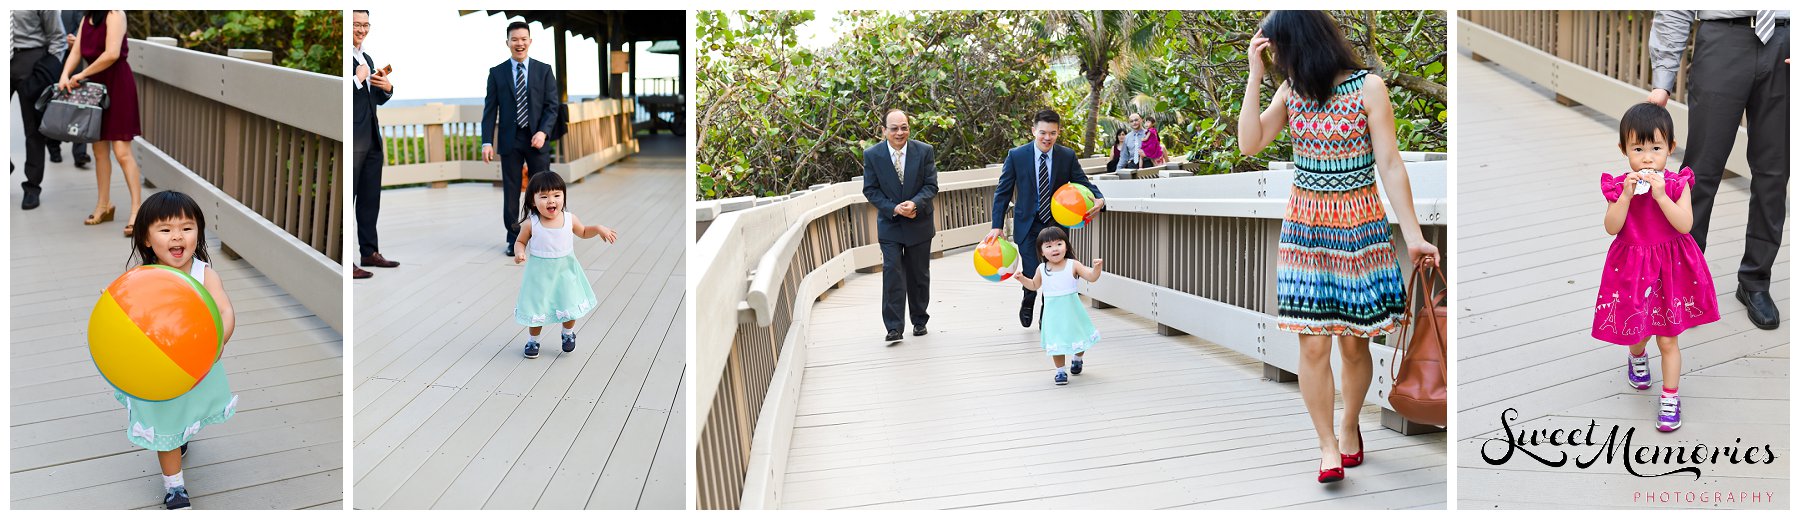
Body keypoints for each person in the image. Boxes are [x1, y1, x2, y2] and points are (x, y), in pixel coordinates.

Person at [1237, 10, 1439, 484]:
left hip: (1359, 226)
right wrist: (1255, 75)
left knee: (1352, 347)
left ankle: (1349, 427)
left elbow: (1389, 163)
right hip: (1305, 231)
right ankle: (1326, 445)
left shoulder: (1368, 88)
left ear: (1301, 41)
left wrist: (1412, 235)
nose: (1277, 56)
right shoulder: (1291, 93)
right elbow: (1250, 143)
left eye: (1278, 47)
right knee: (1311, 347)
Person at [1647, 10, 1789, 330]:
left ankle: (1755, 281)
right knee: (1700, 171)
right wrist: (1664, 79)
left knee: (1774, 173)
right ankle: (1684, 283)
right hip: (1723, 39)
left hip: (1786, 44)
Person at [1594, 103, 1719, 434]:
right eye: (1638, 149)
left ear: (1671, 148)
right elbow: (1612, 226)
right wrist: (1625, 197)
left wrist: (1662, 197)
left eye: (1656, 148)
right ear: (1624, 149)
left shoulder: (1678, 184)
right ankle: (1636, 357)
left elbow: (1685, 225)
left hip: (1670, 268)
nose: (1647, 158)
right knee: (1638, 331)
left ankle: (1670, 396)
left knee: (1667, 339)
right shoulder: (1619, 186)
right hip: (1634, 267)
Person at [116, 191, 240, 509]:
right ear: (145, 238)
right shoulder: (141, 280)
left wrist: (219, 340)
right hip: (158, 370)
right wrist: (112, 310)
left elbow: (225, 311)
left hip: (197, 363)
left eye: (187, 227)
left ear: (198, 233)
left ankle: (182, 436)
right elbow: (123, 314)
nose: (178, 236)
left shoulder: (204, 274)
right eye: (165, 229)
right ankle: (175, 487)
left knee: (187, 411)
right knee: (166, 424)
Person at [986, 108, 1104, 328]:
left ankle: (1046, 314)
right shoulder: (1017, 155)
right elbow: (1002, 192)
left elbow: (1082, 181)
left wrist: (1099, 198)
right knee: (1031, 268)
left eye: (1052, 133)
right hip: (1027, 224)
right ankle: (1028, 299)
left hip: (1055, 225)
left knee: (1052, 270)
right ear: (1033, 131)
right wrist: (996, 226)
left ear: (1058, 132)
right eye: (1042, 133)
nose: (1047, 138)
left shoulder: (1066, 156)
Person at [513, 171, 618, 358]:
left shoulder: (569, 219)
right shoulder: (531, 223)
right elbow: (520, 242)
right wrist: (520, 252)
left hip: (565, 273)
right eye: (544, 197)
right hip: (539, 276)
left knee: (569, 306)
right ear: (532, 201)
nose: (551, 200)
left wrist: (598, 229)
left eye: (556, 195)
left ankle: (567, 334)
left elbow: (584, 231)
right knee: (537, 308)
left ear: (563, 196)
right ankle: (533, 340)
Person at [60, 10, 143, 236]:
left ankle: (138, 211)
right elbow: (76, 50)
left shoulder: (115, 13)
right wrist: (65, 75)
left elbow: (112, 54)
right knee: (98, 150)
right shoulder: (87, 18)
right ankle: (103, 205)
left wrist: (81, 75)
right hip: (95, 88)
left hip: (117, 85)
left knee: (122, 150)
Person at [482, 20, 561, 258]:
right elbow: (489, 110)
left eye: (523, 39)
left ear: (530, 41)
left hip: (537, 138)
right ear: (507, 42)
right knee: (512, 190)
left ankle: (543, 235)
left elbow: (552, 106)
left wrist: (543, 132)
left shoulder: (543, 70)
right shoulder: (497, 73)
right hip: (510, 140)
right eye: (514, 39)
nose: (519, 43)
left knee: (543, 191)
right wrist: (487, 142)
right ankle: (513, 238)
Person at [861, 109, 939, 342]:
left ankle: (919, 320)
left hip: (919, 222)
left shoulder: (924, 151)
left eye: (904, 127)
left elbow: (931, 185)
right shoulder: (872, 155)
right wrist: (893, 208)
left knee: (918, 274)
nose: (899, 132)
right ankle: (894, 327)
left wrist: (914, 204)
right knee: (892, 272)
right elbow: (870, 190)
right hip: (890, 224)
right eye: (894, 128)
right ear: (883, 130)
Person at [1012, 227, 1104, 385]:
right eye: (1048, 246)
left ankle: (1077, 358)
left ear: (1066, 246)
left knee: (1079, 338)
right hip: (1053, 315)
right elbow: (1034, 285)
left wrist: (1097, 268)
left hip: (1072, 312)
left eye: (1059, 244)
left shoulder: (1073, 265)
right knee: (1057, 343)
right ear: (1041, 251)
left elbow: (1091, 277)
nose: (1054, 249)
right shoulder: (1042, 269)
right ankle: (1060, 371)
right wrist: (1022, 279)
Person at [351, 10, 398, 280]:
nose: (361, 29)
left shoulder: (366, 57)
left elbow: (374, 100)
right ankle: (347, 264)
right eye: (356, 24)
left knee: (370, 200)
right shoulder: (348, 59)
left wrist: (387, 87)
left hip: (372, 140)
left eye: (365, 24)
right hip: (353, 140)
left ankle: (369, 252)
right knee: (350, 200)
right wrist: (357, 79)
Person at [11, 10, 64, 210]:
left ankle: (32, 187)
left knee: (33, 129)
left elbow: (58, 37)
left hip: (30, 60)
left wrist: (49, 67)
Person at [49, 9, 92, 169]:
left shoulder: (76, 8)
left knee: (79, 106)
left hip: (73, 61)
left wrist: (74, 39)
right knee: (53, 106)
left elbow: (83, 27)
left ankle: (80, 153)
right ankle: (53, 147)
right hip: (49, 61)